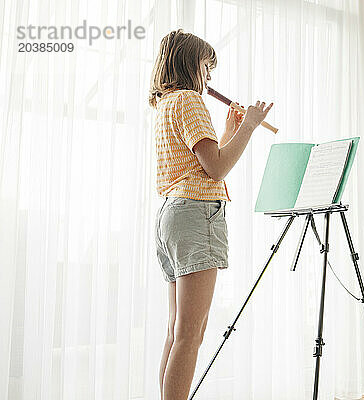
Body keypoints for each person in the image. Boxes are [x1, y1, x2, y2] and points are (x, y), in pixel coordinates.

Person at [148, 29, 273, 400]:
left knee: (177, 331)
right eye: (206, 67)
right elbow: (216, 169)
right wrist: (249, 127)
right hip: (195, 215)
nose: (209, 78)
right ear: (190, 64)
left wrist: (231, 130)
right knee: (192, 332)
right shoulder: (190, 101)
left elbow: (203, 159)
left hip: (172, 216)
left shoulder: (167, 104)